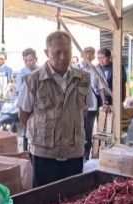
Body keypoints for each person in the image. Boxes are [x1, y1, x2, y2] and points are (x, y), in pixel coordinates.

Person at [17, 31, 92, 188]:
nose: (63, 57)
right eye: (57, 53)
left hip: (74, 152)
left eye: (67, 52)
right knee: (43, 201)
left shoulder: (83, 79)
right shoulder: (33, 79)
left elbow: (83, 111)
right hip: (44, 153)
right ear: (46, 53)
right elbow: (24, 114)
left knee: (72, 200)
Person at [78, 46, 103, 160]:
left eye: (91, 54)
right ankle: (78, 151)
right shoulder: (77, 69)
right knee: (78, 128)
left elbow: (101, 87)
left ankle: (86, 153)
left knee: (88, 129)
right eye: (86, 53)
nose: (88, 56)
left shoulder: (96, 69)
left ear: (93, 56)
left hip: (91, 104)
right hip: (77, 104)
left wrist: (104, 101)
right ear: (82, 55)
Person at [96, 48, 127, 113]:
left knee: (114, 116)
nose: (100, 60)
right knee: (101, 117)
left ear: (109, 57)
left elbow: (122, 83)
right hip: (101, 97)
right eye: (99, 58)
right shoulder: (97, 68)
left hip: (114, 96)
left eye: (103, 58)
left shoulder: (117, 67)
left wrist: (122, 98)